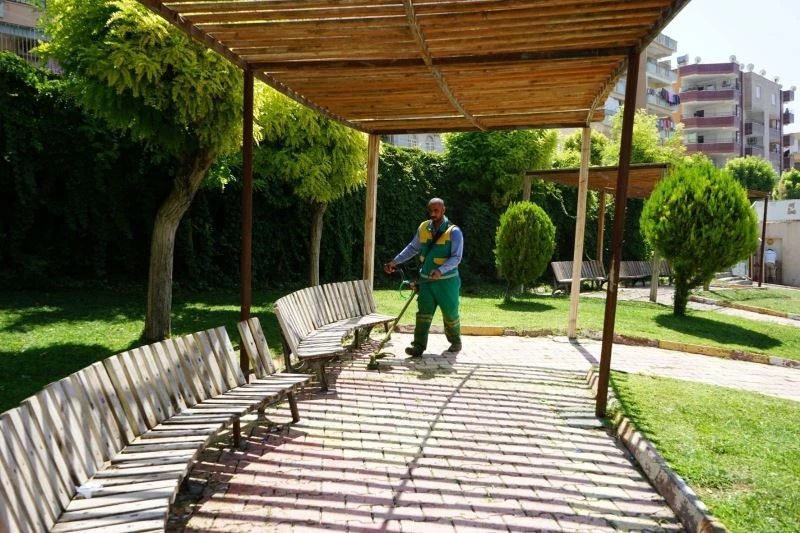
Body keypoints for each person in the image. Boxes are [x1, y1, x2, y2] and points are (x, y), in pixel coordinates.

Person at [384, 198, 463, 357]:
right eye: (431, 210)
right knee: (423, 314)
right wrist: (395, 261)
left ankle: (455, 342)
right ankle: (418, 347)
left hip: (447, 282)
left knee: (450, 314)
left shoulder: (454, 232)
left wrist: (440, 270)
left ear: (443, 210)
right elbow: (412, 248)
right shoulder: (423, 227)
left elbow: (456, 257)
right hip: (426, 281)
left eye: (436, 210)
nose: (433, 214)